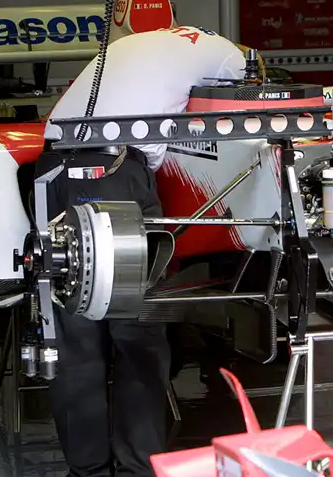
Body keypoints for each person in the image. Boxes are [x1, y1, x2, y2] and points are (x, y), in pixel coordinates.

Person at [39, 26, 261, 477]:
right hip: (113, 169)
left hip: (53, 169)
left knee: (75, 336)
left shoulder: (145, 41)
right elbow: (252, 102)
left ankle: (87, 471)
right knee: (136, 332)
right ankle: (139, 469)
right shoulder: (226, 56)